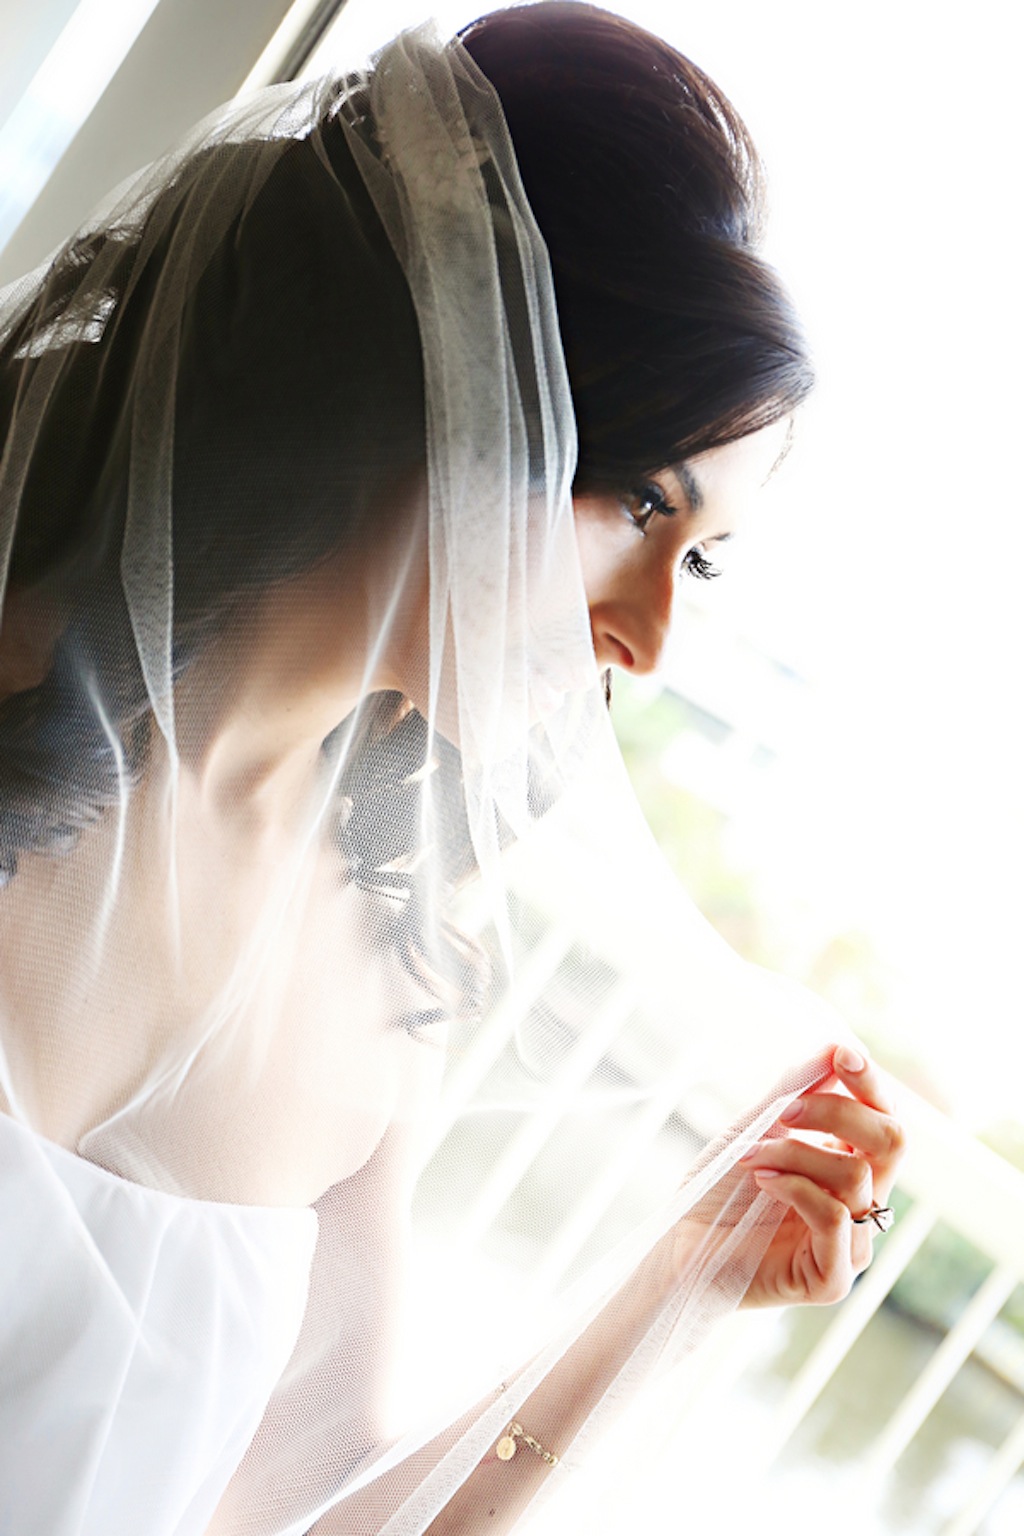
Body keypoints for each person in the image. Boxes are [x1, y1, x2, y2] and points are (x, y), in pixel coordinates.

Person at [0, 4, 905, 1532]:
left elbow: (313, 1511)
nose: (648, 639)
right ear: (446, 387)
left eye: (711, 561)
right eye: (634, 502)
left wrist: (675, 1286)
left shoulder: (393, 955)